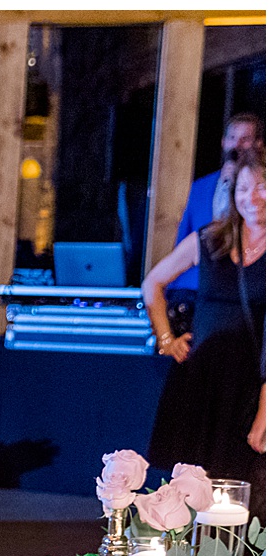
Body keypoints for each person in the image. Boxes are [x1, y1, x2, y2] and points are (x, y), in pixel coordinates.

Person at [143, 154, 266, 516]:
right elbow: (153, 284)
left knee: (240, 488)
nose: (252, 197)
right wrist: (167, 339)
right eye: (243, 188)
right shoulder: (209, 239)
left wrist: (265, 401)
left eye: (262, 186)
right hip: (202, 377)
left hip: (250, 384)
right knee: (187, 484)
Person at [166, 113, 264, 336]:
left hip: (241, 293)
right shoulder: (201, 186)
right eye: (232, 138)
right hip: (195, 291)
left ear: (258, 144)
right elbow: (186, 237)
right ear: (223, 142)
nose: (237, 145)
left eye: (245, 138)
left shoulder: (262, 192)